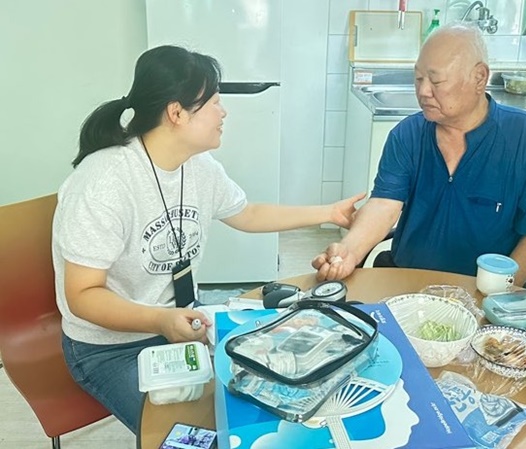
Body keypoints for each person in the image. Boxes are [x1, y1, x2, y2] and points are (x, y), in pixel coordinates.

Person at [52, 45, 364, 434]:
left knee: (266, 402)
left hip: (180, 319)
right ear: (177, 113)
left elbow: (248, 214)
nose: (224, 112)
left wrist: (328, 213)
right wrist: (161, 320)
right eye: (215, 102)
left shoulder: (198, 167)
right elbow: (82, 295)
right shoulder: (103, 184)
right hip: (110, 348)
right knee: (192, 435)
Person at [312, 23, 526, 287]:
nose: (423, 91)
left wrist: (497, 295)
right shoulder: (407, 135)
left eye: (436, 81)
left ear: (479, 78)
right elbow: (384, 204)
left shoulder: (525, 137)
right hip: (407, 284)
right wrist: (349, 251)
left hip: (481, 290)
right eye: (418, 78)